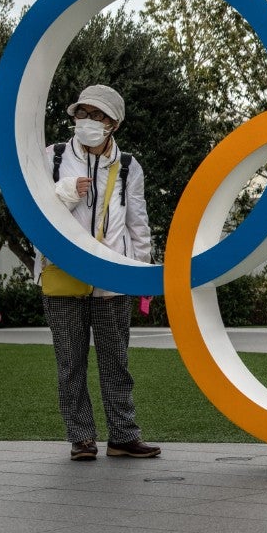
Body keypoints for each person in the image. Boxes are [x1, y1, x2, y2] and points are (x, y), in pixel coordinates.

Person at [39, 85, 159, 461]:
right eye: (82, 114)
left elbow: (138, 223)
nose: (87, 122)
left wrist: (142, 276)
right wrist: (67, 191)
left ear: (114, 124)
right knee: (70, 362)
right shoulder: (53, 156)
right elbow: (35, 207)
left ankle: (123, 436)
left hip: (112, 277)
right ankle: (81, 438)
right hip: (62, 274)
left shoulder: (128, 166)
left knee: (116, 361)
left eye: (97, 115)